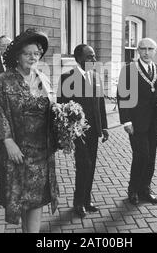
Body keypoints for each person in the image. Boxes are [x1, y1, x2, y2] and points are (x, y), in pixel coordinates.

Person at [0, 28, 59, 233]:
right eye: (27, 53)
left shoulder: (42, 79)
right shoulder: (3, 80)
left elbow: (52, 108)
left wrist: (64, 124)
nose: (33, 57)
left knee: (37, 198)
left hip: (41, 149)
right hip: (18, 150)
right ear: (17, 56)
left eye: (36, 53)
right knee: (21, 197)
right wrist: (8, 141)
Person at [57, 44, 109, 218]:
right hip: (77, 132)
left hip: (94, 130)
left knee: (91, 165)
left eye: (94, 56)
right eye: (89, 57)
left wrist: (104, 127)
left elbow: (100, 103)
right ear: (77, 59)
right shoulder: (66, 78)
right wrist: (68, 132)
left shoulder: (95, 76)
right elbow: (61, 107)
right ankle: (78, 202)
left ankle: (86, 200)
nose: (93, 60)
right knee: (83, 165)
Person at [117, 38, 157, 206]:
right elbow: (122, 96)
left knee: (151, 156)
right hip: (136, 123)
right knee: (141, 156)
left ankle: (145, 189)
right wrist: (126, 122)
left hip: (155, 123)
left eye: (150, 49)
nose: (146, 52)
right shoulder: (129, 70)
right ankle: (133, 189)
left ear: (155, 50)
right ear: (137, 51)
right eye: (143, 49)